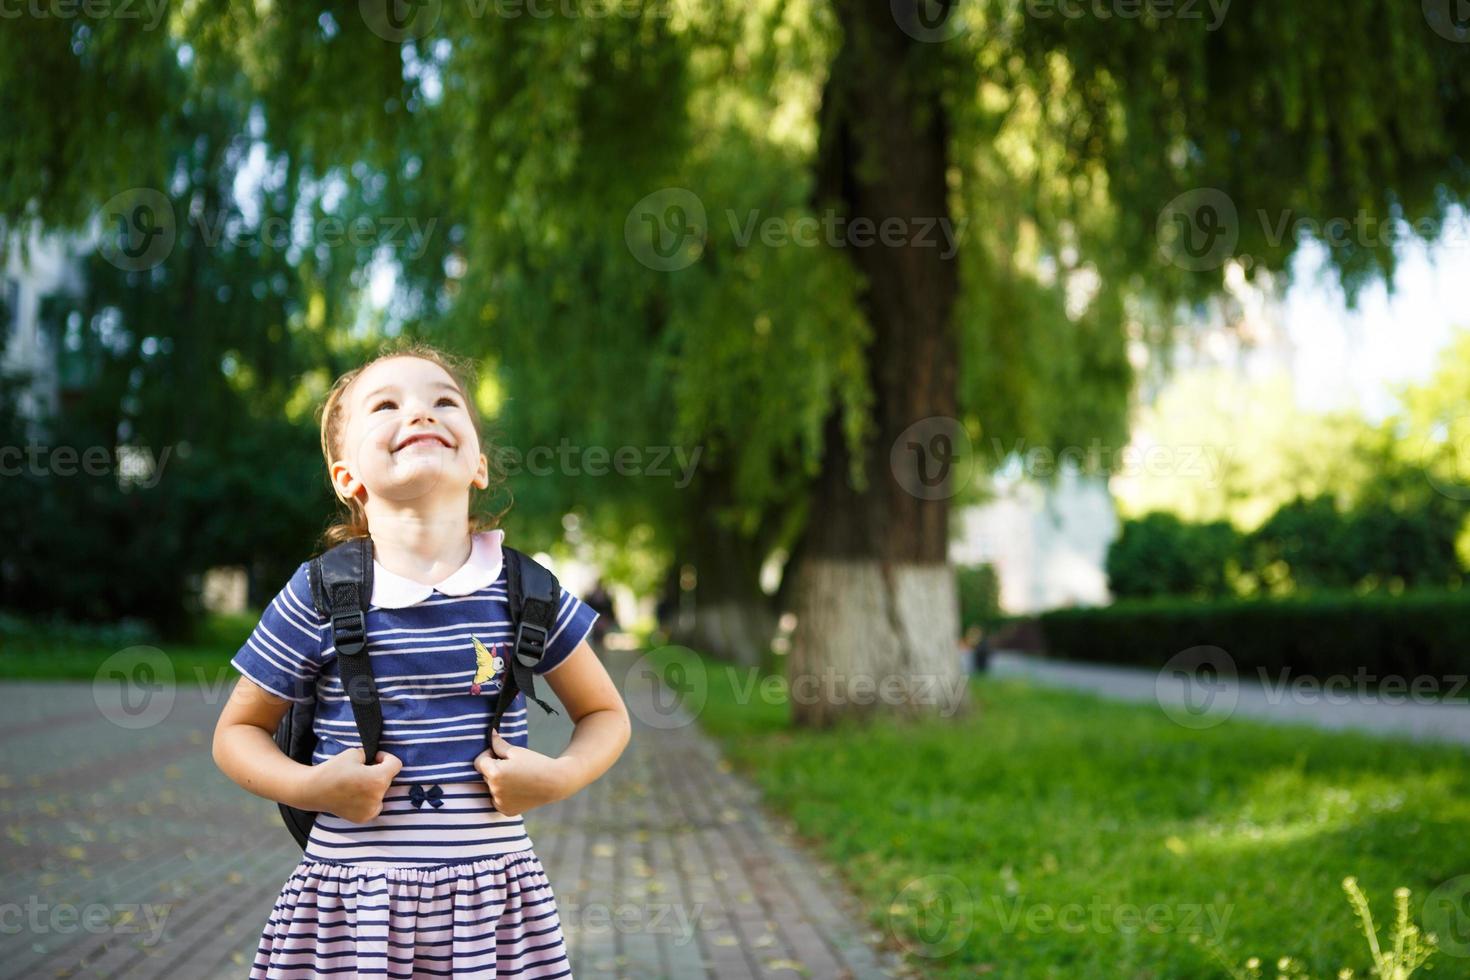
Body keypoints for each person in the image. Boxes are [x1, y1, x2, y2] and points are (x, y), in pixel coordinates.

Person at [212, 341, 632, 978]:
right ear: (347, 476)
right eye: (386, 405)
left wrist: (560, 776)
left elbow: (606, 714)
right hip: (352, 912)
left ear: (479, 465)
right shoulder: (320, 594)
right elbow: (235, 734)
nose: (421, 413)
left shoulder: (528, 591)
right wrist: (312, 787)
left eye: (445, 401)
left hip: (493, 913)